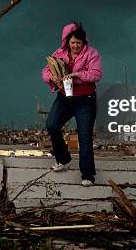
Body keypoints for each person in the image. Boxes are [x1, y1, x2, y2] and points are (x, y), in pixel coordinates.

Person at [42, 22, 103, 186]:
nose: (75, 46)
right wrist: (51, 78)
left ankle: (88, 175)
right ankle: (63, 159)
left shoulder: (92, 54)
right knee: (52, 125)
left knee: (84, 137)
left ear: (83, 42)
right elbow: (46, 71)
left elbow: (96, 74)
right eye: (72, 42)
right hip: (64, 97)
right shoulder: (59, 53)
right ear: (67, 42)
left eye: (78, 43)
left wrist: (78, 75)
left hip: (85, 100)